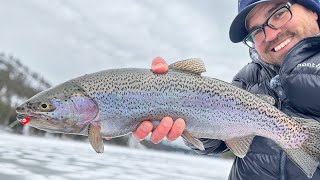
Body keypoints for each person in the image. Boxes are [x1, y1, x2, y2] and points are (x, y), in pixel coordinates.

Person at [133, 0, 320, 179]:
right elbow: (216, 143)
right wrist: (189, 117)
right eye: (256, 31)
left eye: (278, 13)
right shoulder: (247, 78)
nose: (269, 35)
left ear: (313, 11)